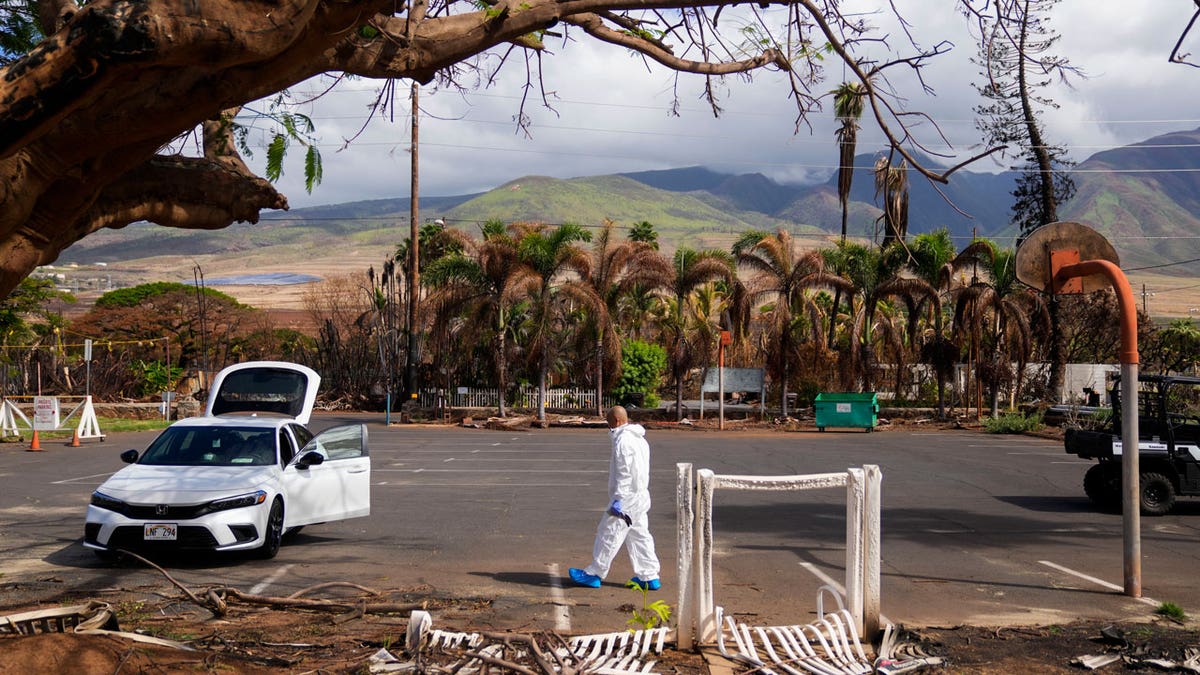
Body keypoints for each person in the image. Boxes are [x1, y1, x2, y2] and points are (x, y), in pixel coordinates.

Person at [569, 405, 661, 590]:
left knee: (609, 532)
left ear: (617, 421)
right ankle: (649, 575)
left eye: (609, 422)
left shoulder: (624, 440)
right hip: (640, 495)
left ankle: (594, 573)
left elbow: (624, 472)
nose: (608, 426)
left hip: (627, 498)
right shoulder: (640, 439)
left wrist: (618, 498)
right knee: (639, 535)